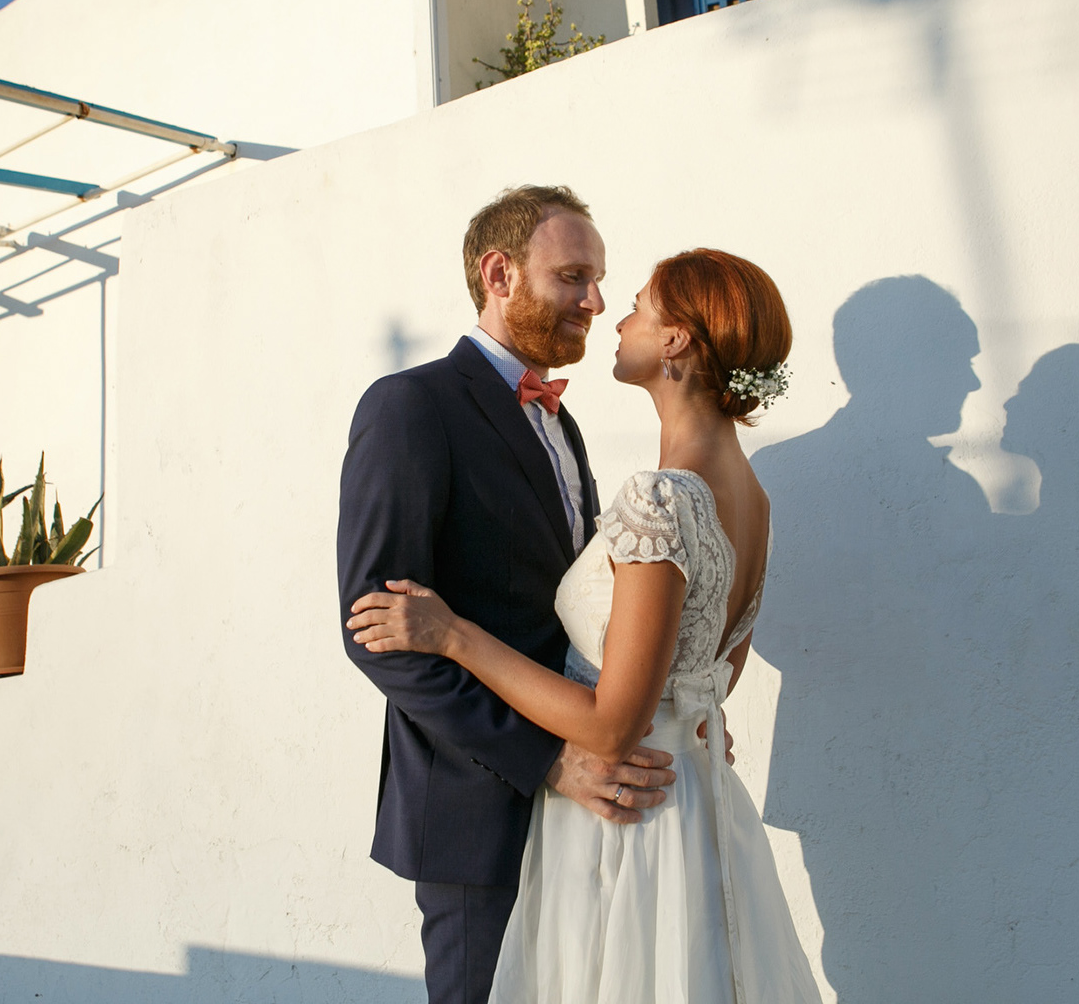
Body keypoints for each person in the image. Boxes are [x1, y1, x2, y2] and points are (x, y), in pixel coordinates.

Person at [350, 248, 824, 1003]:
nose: (612, 311)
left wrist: (451, 634)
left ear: (675, 342)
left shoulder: (661, 496)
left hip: (623, 819)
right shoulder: (753, 497)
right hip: (689, 807)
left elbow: (610, 726)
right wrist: (688, 712)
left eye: (637, 304)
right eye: (581, 279)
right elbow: (714, 670)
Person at [337, 186, 680, 1004]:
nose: (594, 302)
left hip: (586, 798)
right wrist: (549, 761)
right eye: (573, 277)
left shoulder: (563, 426)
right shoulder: (410, 408)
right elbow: (376, 634)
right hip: (474, 813)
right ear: (500, 273)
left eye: (598, 282)